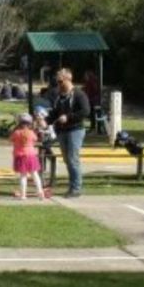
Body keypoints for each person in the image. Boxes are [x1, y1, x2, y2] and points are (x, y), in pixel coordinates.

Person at [47, 68, 90, 198]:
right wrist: (45, 121)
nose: (58, 84)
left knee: (72, 159)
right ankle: (72, 186)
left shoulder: (79, 94)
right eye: (57, 82)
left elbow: (85, 111)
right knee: (67, 159)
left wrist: (68, 117)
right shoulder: (59, 96)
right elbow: (54, 113)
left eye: (60, 81)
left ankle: (76, 188)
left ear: (68, 79)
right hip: (62, 131)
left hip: (75, 130)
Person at [9, 113, 45, 200]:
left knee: (23, 175)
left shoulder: (16, 132)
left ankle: (23, 195)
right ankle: (40, 192)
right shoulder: (31, 132)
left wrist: (14, 129)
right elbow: (36, 139)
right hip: (31, 155)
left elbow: (11, 139)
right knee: (35, 174)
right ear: (29, 123)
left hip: (21, 156)